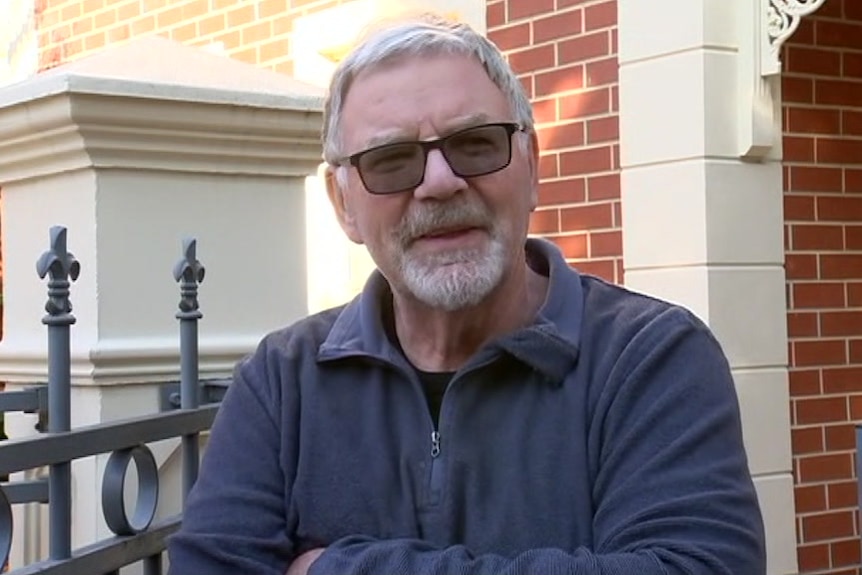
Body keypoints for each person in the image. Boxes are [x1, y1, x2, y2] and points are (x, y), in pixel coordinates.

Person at [167, 13, 766, 575]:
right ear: (343, 204)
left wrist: (335, 567)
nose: (439, 182)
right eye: (390, 159)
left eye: (476, 143)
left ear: (531, 167)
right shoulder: (280, 383)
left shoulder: (652, 358)